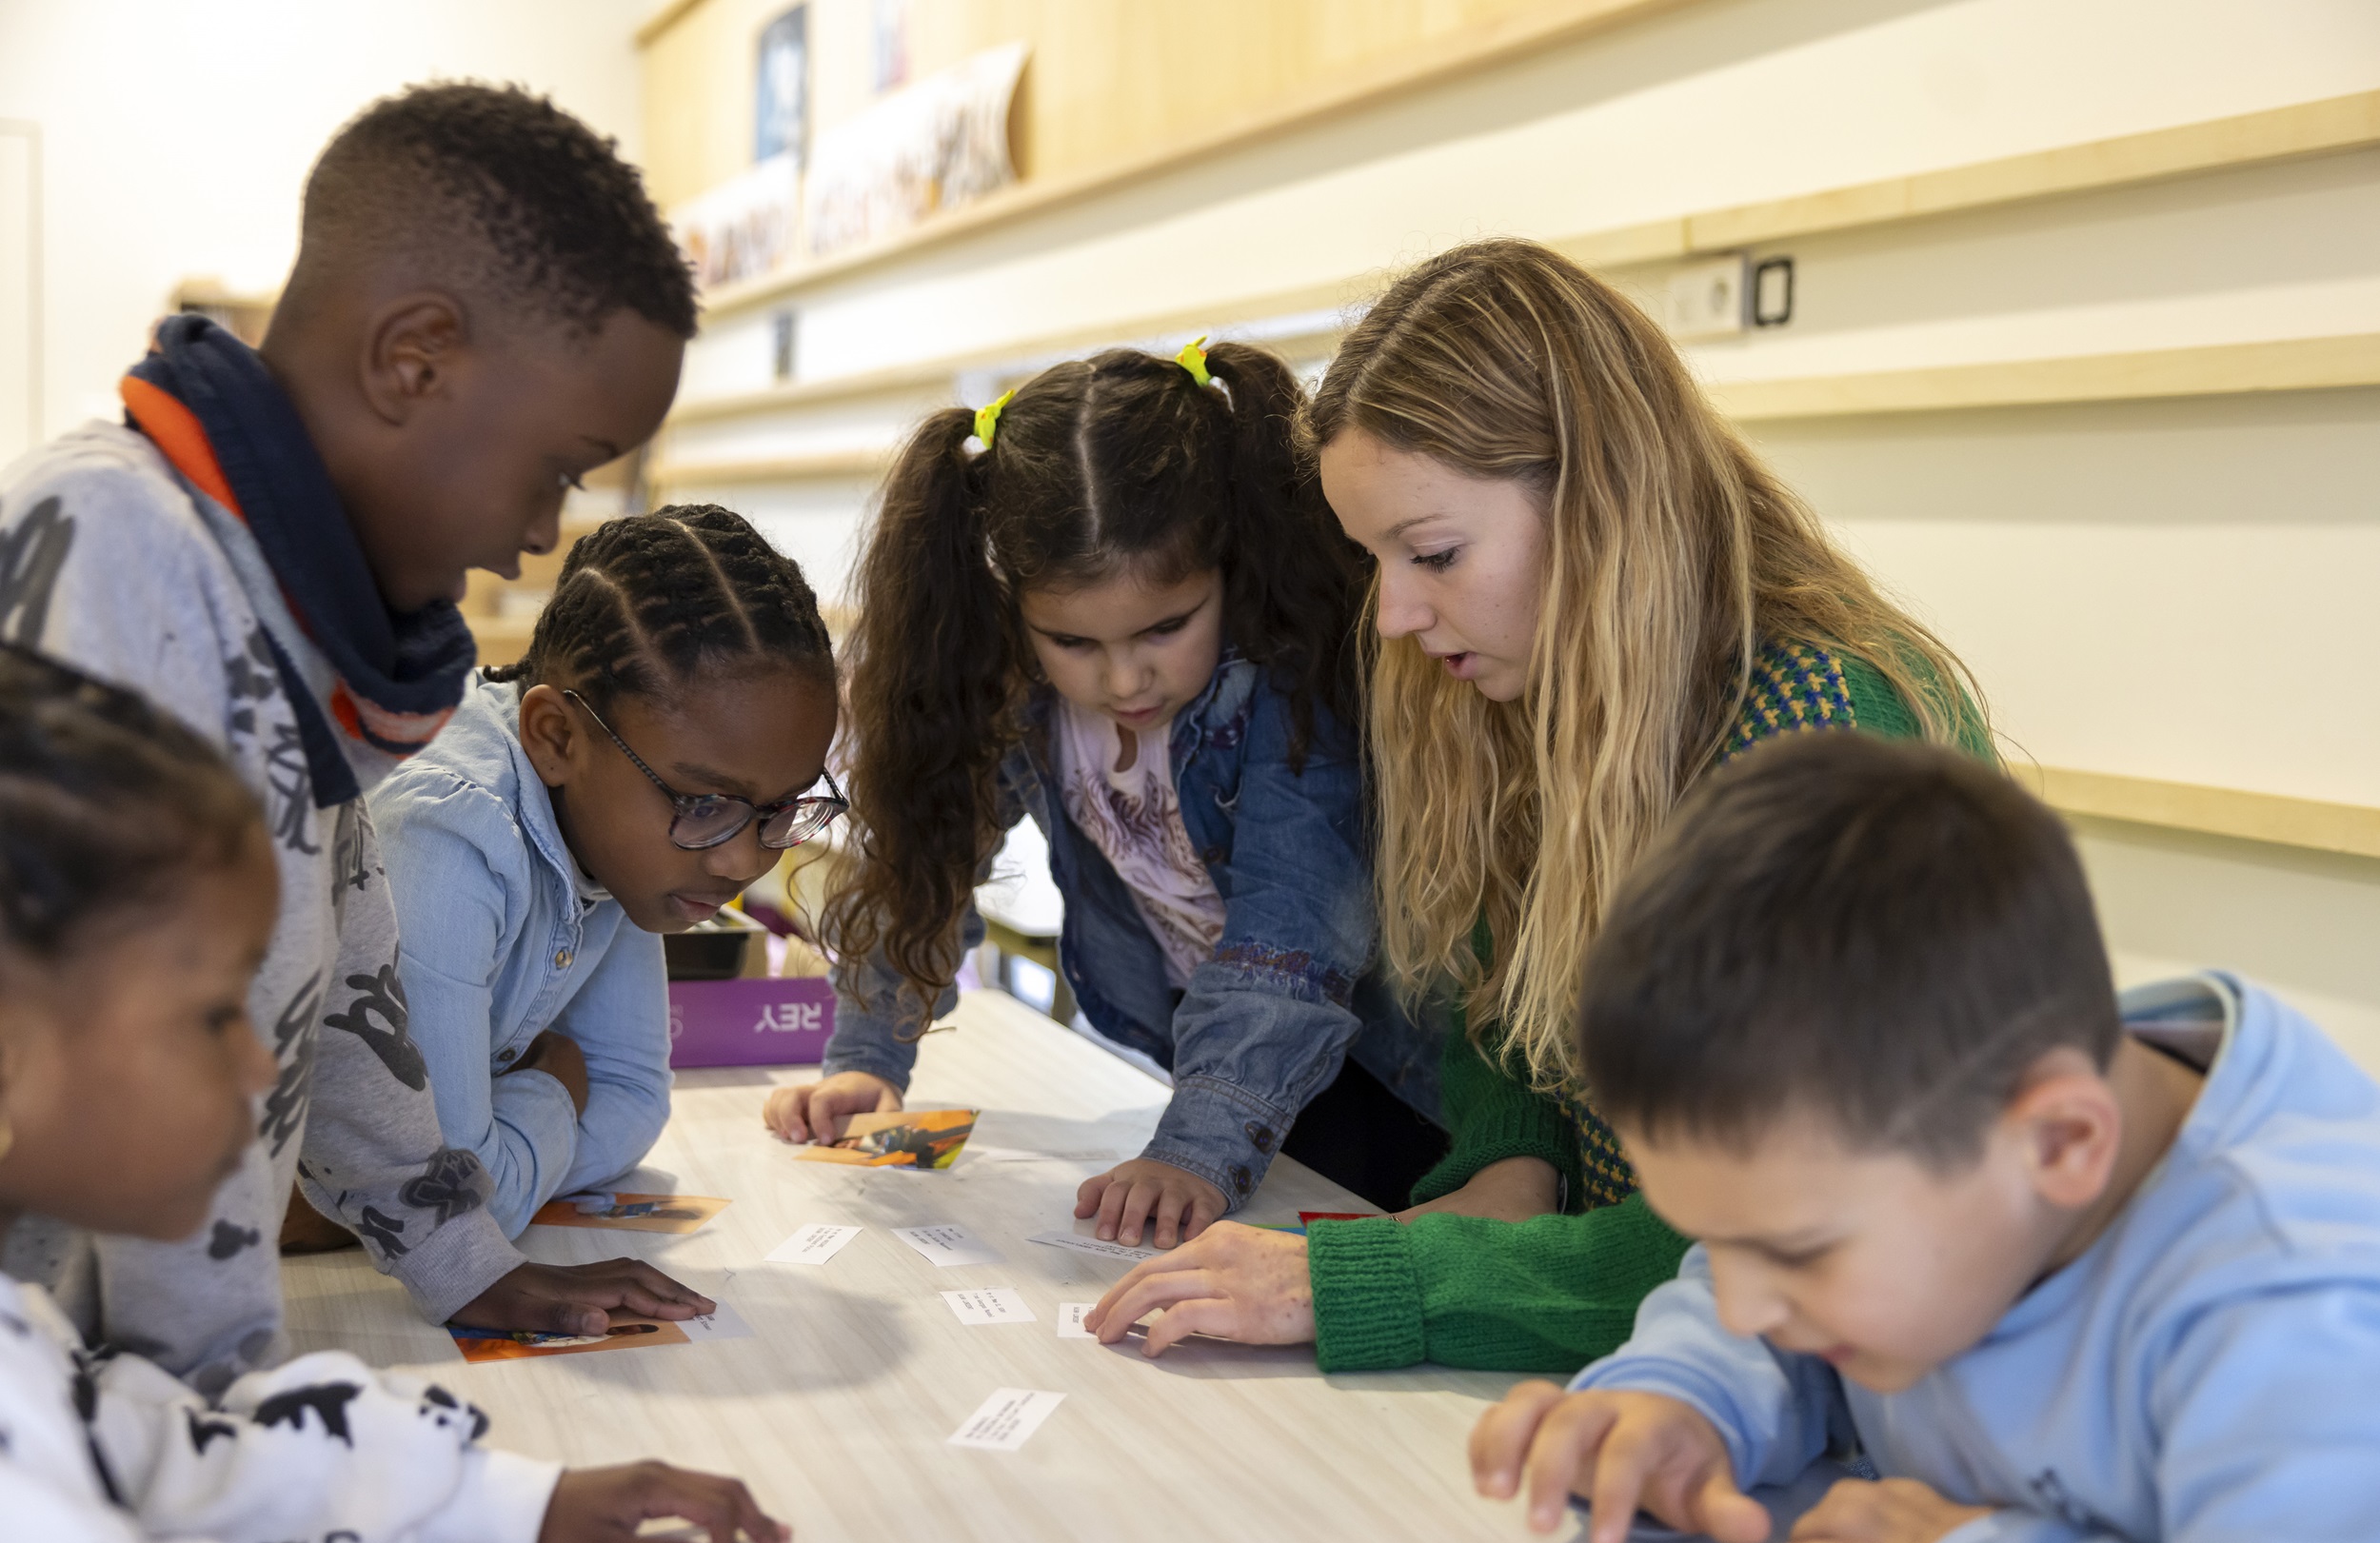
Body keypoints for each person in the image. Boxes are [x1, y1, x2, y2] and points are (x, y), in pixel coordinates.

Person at [1088, 238, 1986, 1366]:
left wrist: (1375, 1274)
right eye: (1375, 562)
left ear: (1601, 499)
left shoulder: (1829, 739)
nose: (1394, 616)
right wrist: (1510, 1175)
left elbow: (1750, 1253)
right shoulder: (1526, 694)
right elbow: (1504, 1026)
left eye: (1433, 552)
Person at [0, 82, 707, 1391]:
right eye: (558, 464)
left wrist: (472, 1265)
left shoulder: (299, 629)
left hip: (144, 1426)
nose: (545, 530)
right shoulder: (117, 551)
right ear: (415, 359)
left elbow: (348, 1002)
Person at [1471, 732, 2380, 1543]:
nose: (1746, 1301)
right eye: (1718, 1237)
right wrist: (1680, 1396)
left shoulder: (2301, 1307)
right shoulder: (1961, 1125)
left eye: (1796, 1252)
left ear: (2064, 1143)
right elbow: (1742, 1307)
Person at [0, 644, 790, 1543]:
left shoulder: (27, 1346)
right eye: (217, 1014)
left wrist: (510, 1504)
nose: (264, 1065)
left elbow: (165, 1450)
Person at [764, 341, 1443, 1245]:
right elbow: (919, 866)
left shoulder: (1290, 686)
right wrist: (868, 1059)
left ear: (1229, 565)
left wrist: (1196, 1149)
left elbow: (1289, 939)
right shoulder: (1016, 692)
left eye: (1167, 626)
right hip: (1223, 1074)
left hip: (1389, 1079)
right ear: (1013, 607)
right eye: (1073, 642)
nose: (1126, 678)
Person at [371, 504, 842, 1238]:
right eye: (705, 800)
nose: (744, 860)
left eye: (780, 808)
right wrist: (557, 1083)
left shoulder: (625, 839)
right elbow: (455, 1212)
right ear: (556, 735)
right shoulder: (449, 834)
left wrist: (493, 1145)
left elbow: (633, 1102)